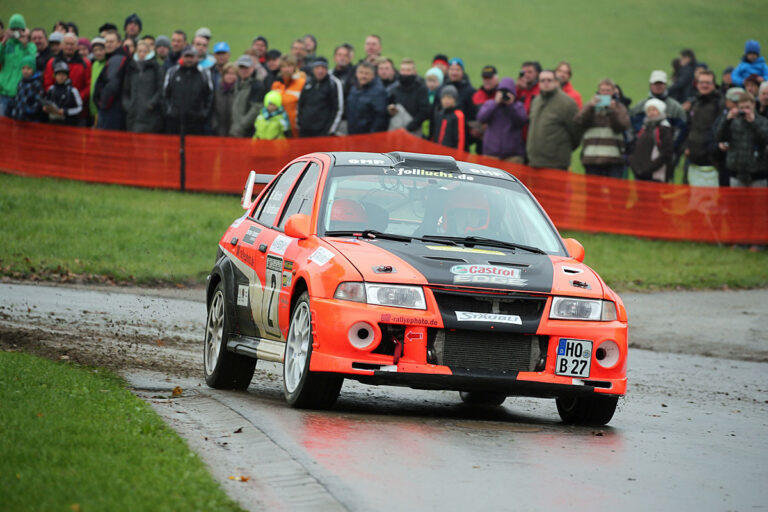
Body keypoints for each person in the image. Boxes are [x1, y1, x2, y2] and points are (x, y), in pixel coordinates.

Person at [574, 78, 630, 177]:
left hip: (613, 158)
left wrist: (613, 111)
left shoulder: (620, 107)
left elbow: (622, 126)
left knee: (613, 187)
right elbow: (579, 121)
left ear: (613, 91)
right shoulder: (590, 106)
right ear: (599, 91)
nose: (605, 93)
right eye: (603, 90)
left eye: (608, 90)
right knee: (593, 187)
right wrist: (590, 107)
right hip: (592, 157)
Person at [526, 69, 579, 170]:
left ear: (556, 82)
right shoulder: (536, 101)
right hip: (534, 162)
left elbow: (576, 132)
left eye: (549, 80)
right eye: (542, 80)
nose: (546, 83)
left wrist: (562, 150)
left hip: (556, 164)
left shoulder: (567, 103)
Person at [629, 70, 688, 161]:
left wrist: (671, 147)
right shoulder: (639, 107)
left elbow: (681, 131)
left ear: (665, 85)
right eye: (655, 84)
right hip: (643, 153)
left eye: (661, 84)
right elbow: (632, 128)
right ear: (650, 85)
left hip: (667, 154)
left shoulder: (676, 108)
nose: (658, 86)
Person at [716, 91, 768, 187]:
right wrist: (727, 120)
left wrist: (753, 123)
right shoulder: (733, 121)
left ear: (753, 105)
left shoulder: (763, 121)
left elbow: (765, 139)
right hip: (736, 173)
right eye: (742, 108)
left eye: (747, 107)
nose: (745, 111)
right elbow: (719, 137)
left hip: (757, 173)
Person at [683, 70, 722, 187]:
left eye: (707, 83)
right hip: (692, 158)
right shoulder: (694, 103)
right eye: (701, 82)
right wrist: (686, 146)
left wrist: (713, 152)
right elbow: (688, 127)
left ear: (713, 85)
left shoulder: (719, 104)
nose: (704, 85)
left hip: (711, 161)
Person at [162, 46, 213, 135]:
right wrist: (169, 112)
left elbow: (209, 95)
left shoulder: (204, 73)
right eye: (187, 56)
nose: (189, 59)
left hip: (196, 122)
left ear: (196, 58)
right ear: (182, 57)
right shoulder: (172, 72)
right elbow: (165, 94)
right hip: (175, 120)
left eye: (191, 57)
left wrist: (203, 114)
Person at [476, 77, 527, 162]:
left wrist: (510, 105)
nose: (504, 95)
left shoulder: (518, 106)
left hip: (513, 155)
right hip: (491, 154)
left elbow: (521, 121)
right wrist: (495, 103)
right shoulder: (490, 104)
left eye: (508, 92)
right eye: (502, 92)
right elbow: (481, 118)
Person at [122, 41, 163, 133]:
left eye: (145, 51)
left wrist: (151, 104)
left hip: (150, 115)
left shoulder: (156, 68)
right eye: (139, 51)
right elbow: (125, 90)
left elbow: (160, 89)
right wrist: (128, 105)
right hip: (133, 115)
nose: (142, 54)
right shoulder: (131, 68)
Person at [629, 98, 674, 182]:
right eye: (649, 110)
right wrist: (634, 164)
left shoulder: (664, 129)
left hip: (655, 176)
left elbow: (666, 153)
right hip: (640, 173)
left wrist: (649, 169)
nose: (651, 112)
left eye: (654, 110)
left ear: (660, 111)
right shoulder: (644, 128)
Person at [297, 56, 343, 137]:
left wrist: (330, 130)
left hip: (323, 132)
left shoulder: (333, 83)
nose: (320, 71)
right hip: (305, 130)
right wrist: (300, 123)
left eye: (323, 68)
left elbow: (338, 108)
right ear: (313, 69)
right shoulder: (308, 82)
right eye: (317, 67)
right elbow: (301, 104)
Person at [0, 14, 36, 117]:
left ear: (23, 30)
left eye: (18, 29)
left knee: (17, 123)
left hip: (20, 93)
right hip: (4, 92)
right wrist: (4, 41)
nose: (15, 32)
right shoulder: (6, 45)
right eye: (13, 29)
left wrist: (24, 45)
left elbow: (31, 61)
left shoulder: (30, 46)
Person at [93, 31, 128, 130]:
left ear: (119, 43)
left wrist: (103, 104)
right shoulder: (116, 57)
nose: (108, 44)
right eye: (107, 42)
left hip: (112, 110)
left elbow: (112, 85)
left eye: (111, 42)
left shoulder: (116, 59)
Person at [387, 58, 430, 136]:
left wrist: (409, 128)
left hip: (414, 132)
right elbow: (389, 107)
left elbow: (424, 111)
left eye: (408, 70)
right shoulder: (394, 90)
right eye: (403, 70)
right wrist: (390, 109)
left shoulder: (421, 89)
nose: (405, 73)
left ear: (414, 72)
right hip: (395, 131)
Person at [346, 61, 388, 134]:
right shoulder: (354, 89)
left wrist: (372, 136)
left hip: (369, 136)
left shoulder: (379, 92)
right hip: (353, 134)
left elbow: (380, 118)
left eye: (367, 73)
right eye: (361, 72)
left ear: (373, 75)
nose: (363, 76)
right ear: (356, 74)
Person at [229, 54, 265, 138]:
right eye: (241, 67)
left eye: (246, 68)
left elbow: (255, 110)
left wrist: (240, 126)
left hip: (249, 133)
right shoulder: (237, 84)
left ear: (252, 68)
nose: (243, 70)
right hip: (235, 130)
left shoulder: (257, 85)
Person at [270, 55, 306, 136]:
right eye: (283, 67)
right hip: (278, 129)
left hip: (296, 129)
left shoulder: (302, 83)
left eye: (289, 66)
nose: (286, 69)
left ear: (294, 67)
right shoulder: (276, 84)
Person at [43, 61, 83, 125]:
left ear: (67, 76)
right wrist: (45, 108)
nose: (61, 77)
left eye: (63, 74)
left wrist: (66, 111)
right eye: (59, 74)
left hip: (68, 123)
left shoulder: (73, 90)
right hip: (52, 121)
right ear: (55, 76)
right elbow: (46, 102)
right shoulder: (51, 89)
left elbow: (80, 108)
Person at [10, 55, 43, 122]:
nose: (26, 71)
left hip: (29, 119)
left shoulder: (36, 84)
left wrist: (28, 111)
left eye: (29, 68)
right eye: (23, 68)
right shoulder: (21, 83)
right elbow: (18, 98)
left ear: (33, 69)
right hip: (18, 116)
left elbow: (38, 102)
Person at [431, 85, 465, 149]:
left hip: (451, 151)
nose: (446, 100)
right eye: (443, 97)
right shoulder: (439, 113)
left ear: (455, 99)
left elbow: (460, 138)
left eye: (449, 98)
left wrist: (458, 153)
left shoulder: (458, 115)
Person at [212, 62, 237, 136]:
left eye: (232, 74)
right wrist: (215, 126)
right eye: (227, 73)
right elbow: (213, 110)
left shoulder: (239, 91)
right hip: (219, 131)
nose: (230, 76)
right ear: (223, 75)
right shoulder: (217, 91)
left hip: (235, 132)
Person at [88, 37, 106, 122]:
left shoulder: (108, 64)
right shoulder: (94, 64)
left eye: (101, 50)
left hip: (102, 108)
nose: (98, 53)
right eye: (95, 50)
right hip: (93, 108)